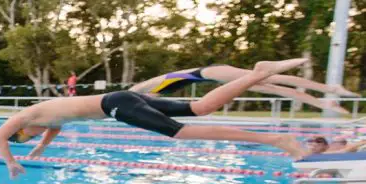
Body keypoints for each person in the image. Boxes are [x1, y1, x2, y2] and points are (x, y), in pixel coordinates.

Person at [0, 58, 312, 179]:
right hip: (122, 99)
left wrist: (10, 162)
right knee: (199, 109)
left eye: (29, 137)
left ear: (22, 129)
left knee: (181, 132)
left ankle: (276, 140)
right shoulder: (44, 120)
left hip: (116, 105)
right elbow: (55, 129)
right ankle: (256, 75)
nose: (34, 136)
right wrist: (41, 149)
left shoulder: (24, 115)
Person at [128, 63, 358, 115]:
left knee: (275, 79)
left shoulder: (136, 91)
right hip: (208, 78)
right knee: (274, 88)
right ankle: (323, 102)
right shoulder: (147, 94)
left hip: (206, 73)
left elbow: (156, 89)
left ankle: (330, 88)